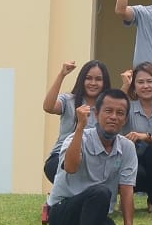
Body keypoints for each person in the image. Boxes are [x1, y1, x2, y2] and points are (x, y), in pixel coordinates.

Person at [46, 88, 145, 225]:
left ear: (125, 119)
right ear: (96, 113)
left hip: (96, 216)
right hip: (63, 213)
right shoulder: (77, 138)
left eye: (120, 113)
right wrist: (80, 127)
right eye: (108, 111)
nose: (113, 117)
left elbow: (127, 191)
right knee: (100, 192)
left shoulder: (127, 147)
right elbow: (71, 167)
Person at [41, 59, 107, 188]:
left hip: (94, 160)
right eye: (88, 78)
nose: (93, 83)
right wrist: (62, 75)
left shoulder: (107, 107)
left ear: (104, 82)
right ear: (82, 80)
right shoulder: (69, 100)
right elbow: (48, 107)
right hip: (61, 157)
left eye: (98, 79)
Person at [122, 62, 152, 214]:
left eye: (150, 81)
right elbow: (113, 106)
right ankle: (126, 200)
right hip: (131, 160)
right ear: (134, 86)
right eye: (140, 82)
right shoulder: (128, 107)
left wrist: (147, 137)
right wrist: (125, 86)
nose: (145, 86)